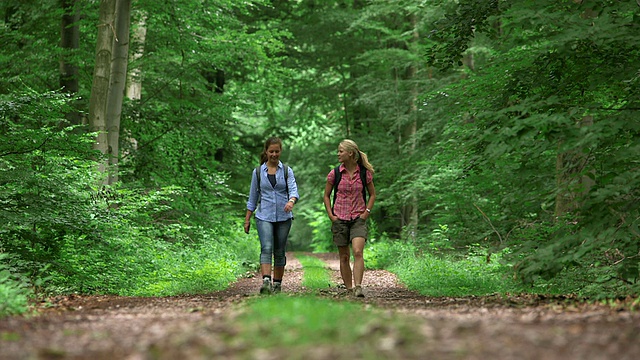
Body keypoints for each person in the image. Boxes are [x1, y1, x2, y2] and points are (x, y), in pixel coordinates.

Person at [245, 137, 299, 294]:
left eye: (277, 151)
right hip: (264, 216)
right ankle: (266, 281)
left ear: (280, 152)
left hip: (284, 216)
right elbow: (252, 198)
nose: (274, 154)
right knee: (266, 247)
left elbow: (294, 190)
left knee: (280, 250)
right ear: (266, 152)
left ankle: (277, 284)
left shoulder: (287, 171)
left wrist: (291, 201)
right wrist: (247, 219)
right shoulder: (257, 172)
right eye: (271, 151)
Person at [323, 139, 376, 297]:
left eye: (341, 151)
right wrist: (331, 216)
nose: (338, 154)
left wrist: (366, 212)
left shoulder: (363, 173)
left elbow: (373, 194)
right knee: (344, 256)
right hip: (340, 219)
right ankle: (349, 289)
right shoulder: (335, 173)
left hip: (358, 219)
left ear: (350, 153)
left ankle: (358, 286)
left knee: (358, 252)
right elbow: (326, 195)